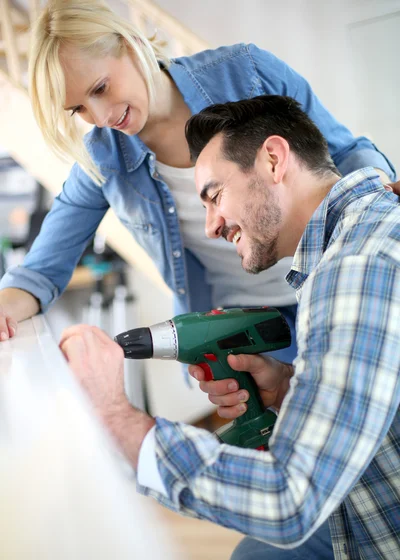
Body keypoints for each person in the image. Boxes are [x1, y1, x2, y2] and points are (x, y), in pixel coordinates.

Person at [59, 96, 400, 560]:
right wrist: (290, 386)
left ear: (273, 159)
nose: (212, 225)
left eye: (214, 195)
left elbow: (291, 497)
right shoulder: (371, 227)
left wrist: (118, 417)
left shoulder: (353, 268)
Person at [0, 0, 395, 366]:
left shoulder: (246, 72)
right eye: (79, 108)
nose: (100, 116)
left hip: (331, 288)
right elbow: (40, 270)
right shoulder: (103, 158)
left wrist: (378, 204)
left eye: (100, 88)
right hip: (245, 327)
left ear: (131, 43)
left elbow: (345, 154)